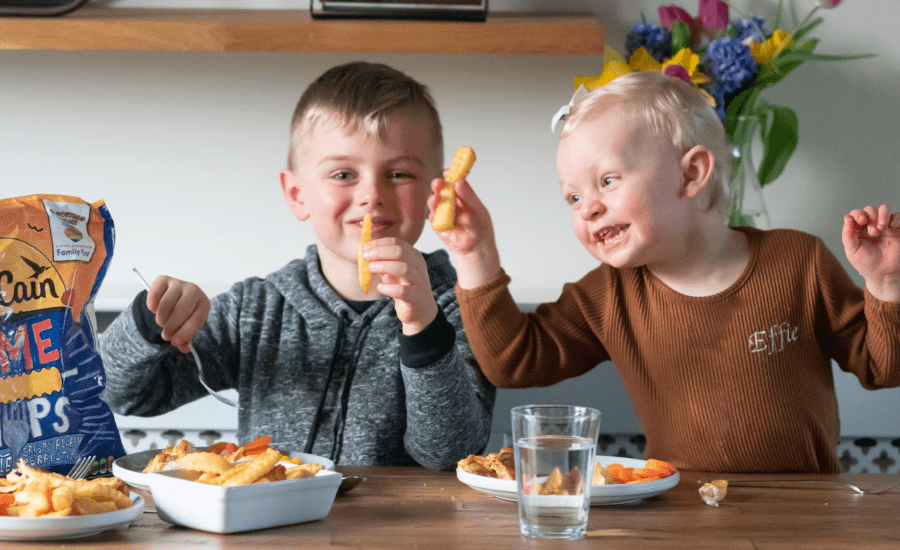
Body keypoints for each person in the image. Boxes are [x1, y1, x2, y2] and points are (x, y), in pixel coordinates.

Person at [430, 70, 900, 473]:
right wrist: (475, 255)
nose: (588, 208)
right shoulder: (609, 295)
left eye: (608, 181)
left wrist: (884, 283)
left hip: (805, 514)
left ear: (692, 175)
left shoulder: (800, 262)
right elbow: (515, 362)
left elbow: (883, 367)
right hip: (679, 513)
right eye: (572, 197)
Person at [99, 61, 495, 470]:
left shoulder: (465, 307)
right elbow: (120, 394)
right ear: (296, 194)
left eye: (398, 173)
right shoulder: (254, 310)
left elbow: (449, 453)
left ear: (439, 192)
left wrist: (424, 327)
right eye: (343, 174)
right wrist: (150, 321)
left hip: (403, 534)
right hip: (270, 527)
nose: (372, 195)